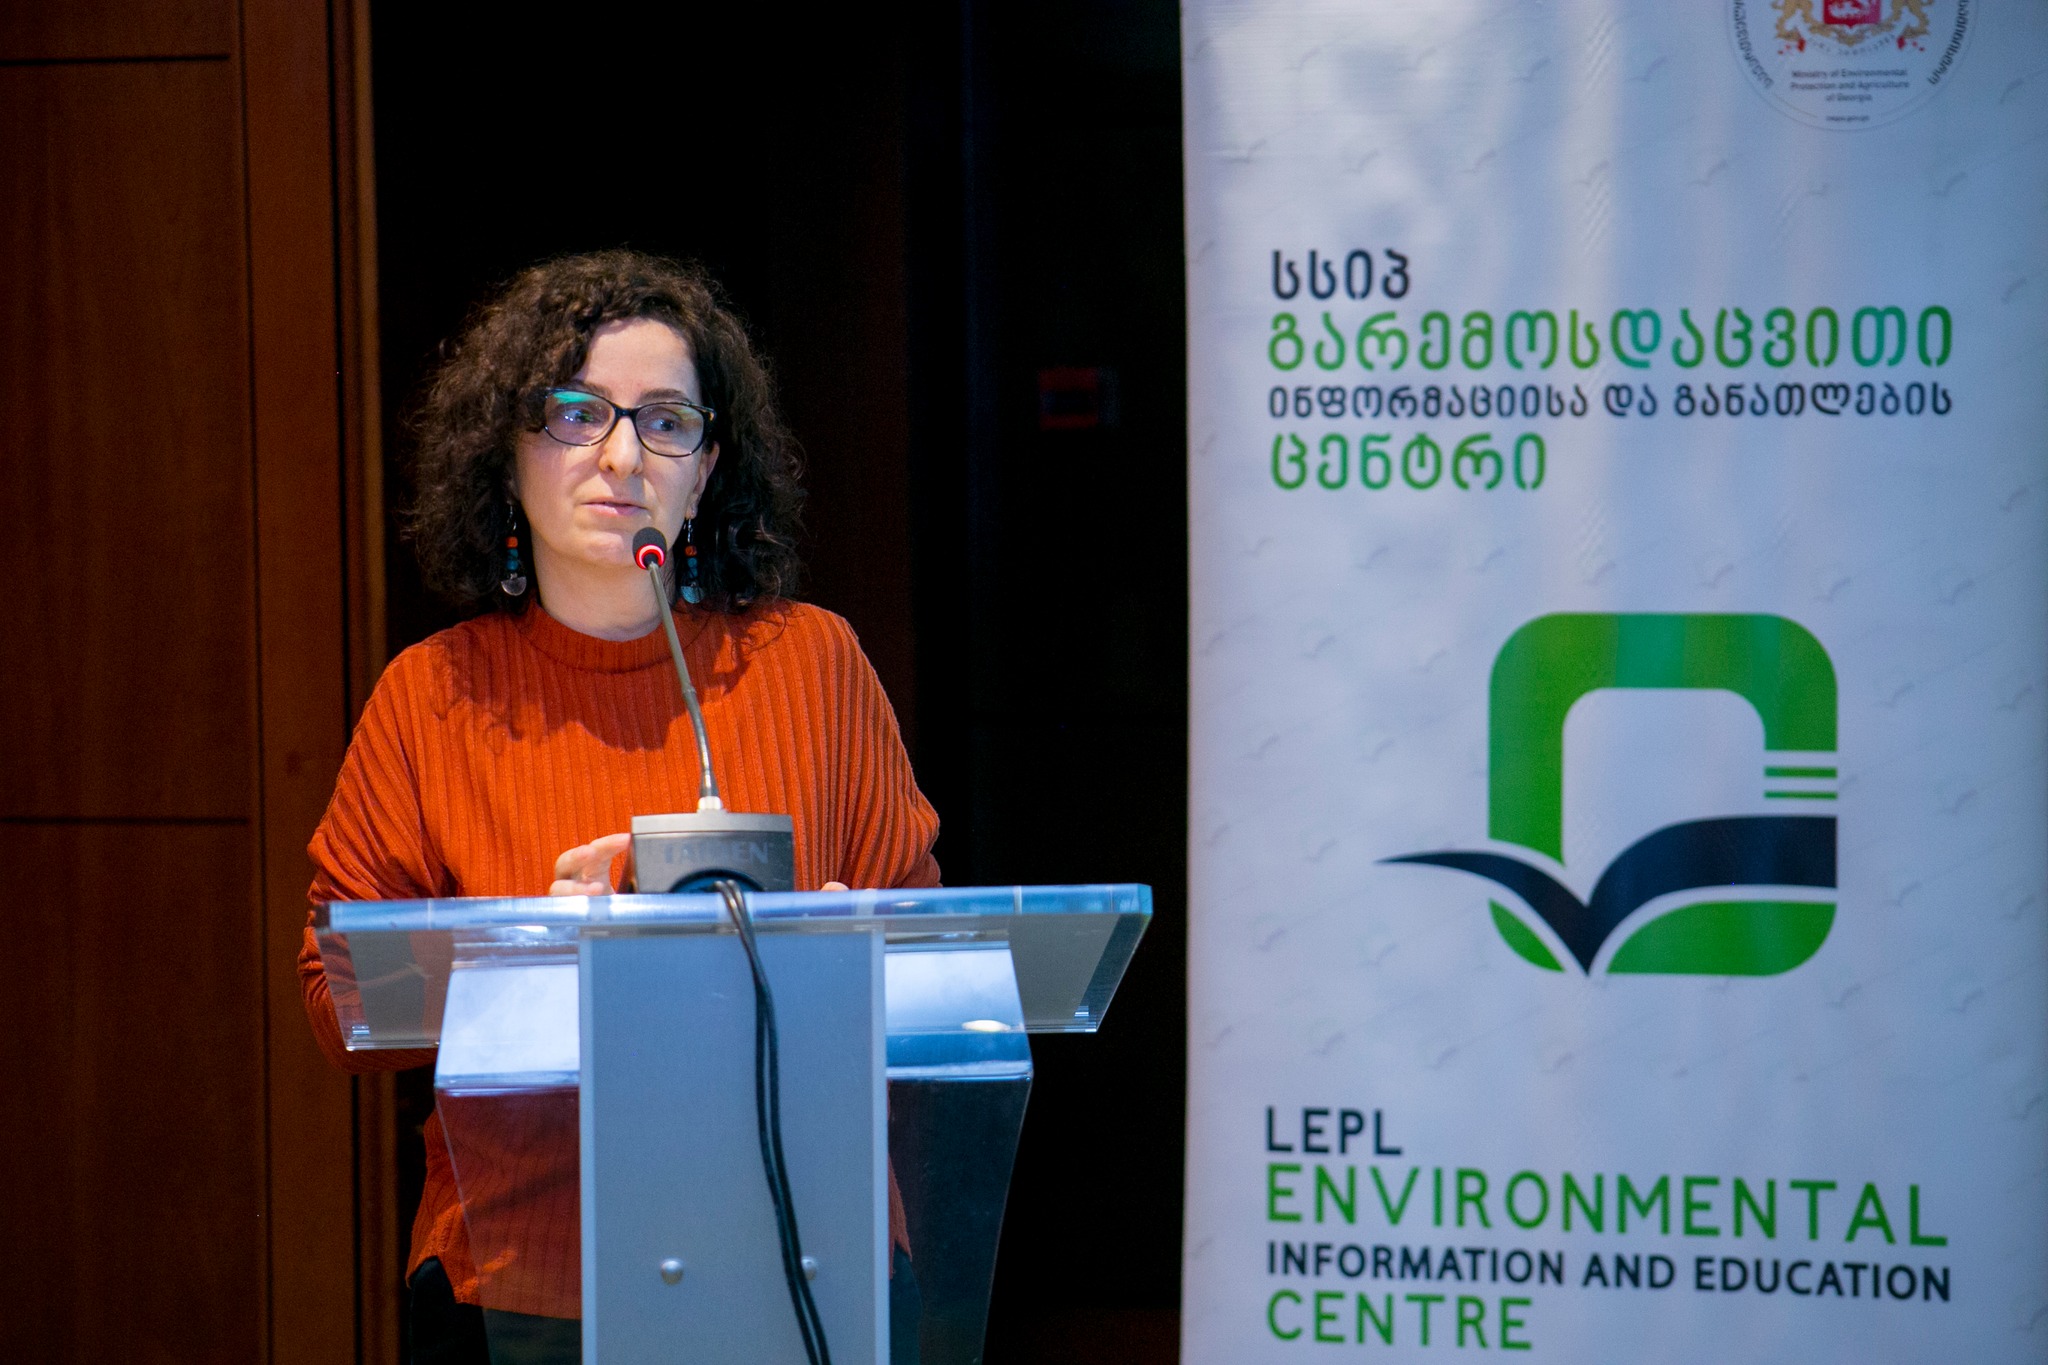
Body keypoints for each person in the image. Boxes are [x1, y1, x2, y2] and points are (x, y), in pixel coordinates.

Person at [297, 249, 935, 1363]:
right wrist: (539, 951)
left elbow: (934, 968)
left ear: (707, 470)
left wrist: (833, 946)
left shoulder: (814, 666)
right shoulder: (431, 696)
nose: (623, 455)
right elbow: (335, 1000)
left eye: (666, 422)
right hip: (530, 1284)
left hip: (803, 1259)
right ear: (507, 449)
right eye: (577, 413)